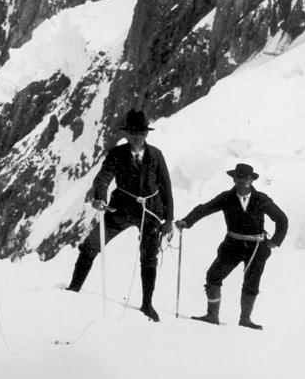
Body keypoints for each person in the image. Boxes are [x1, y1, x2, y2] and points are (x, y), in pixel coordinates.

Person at [67, 109, 173, 321]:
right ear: (126, 133)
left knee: (149, 258)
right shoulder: (117, 154)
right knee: (90, 245)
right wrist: (100, 197)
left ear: (146, 134)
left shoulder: (156, 155)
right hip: (120, 210)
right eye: (133, 132)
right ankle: (73, 289)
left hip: (150, 212)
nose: (136, 136)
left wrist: (168, 219)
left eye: (141, 132)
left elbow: (166, 187)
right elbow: (103, 177)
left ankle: (147, 305)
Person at [176, 163, 287, 330]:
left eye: (245, 178)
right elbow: (204, 209)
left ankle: (245, 320)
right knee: (214, 276)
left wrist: (275, 241)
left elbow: (282, 219)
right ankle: (212, 316)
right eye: (238, 177)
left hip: (256, 248)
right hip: (232, 246)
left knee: (252, 283)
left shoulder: (261, 199)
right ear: (233, 178)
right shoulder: (226, 198)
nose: (241, 181)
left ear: (251, 179)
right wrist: (187, 221)